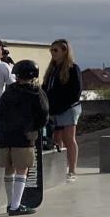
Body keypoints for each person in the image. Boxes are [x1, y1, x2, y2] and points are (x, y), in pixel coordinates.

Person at [0, 60, 49, 216]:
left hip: (5, 136)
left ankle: (10, 203)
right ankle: (16, 206)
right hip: (23, 136)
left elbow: (0, 113)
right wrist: (34, 128)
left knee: (9, 168)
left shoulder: (8, 92)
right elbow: (44, 114)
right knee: (22, 169)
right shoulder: (36, 93)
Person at [43, 40, 84, 180]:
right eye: (51, 51)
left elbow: (76, 91)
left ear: (64, 51)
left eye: (56, 50)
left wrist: (62, 105)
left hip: (69, 108)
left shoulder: (73, 68)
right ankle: (58, 169)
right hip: (53, 109)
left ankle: (72, 170)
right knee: (56, 138)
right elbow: (45, 88)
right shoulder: (52, 70)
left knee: (68, 138)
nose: (53, 53)